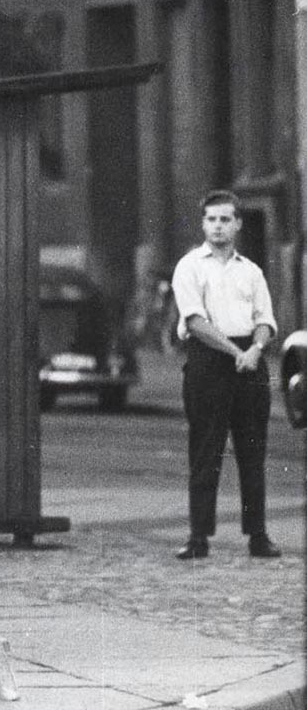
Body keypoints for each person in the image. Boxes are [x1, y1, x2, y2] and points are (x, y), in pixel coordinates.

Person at [171, 190, 281, 560]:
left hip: (249, 364)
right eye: (211, 220)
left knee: (253, 453)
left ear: (237, 224)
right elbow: (196, 322)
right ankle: (199, 536)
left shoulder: (251, 271)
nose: (218, 227)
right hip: (209, 363)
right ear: (203, 223)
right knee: (206, 451)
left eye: (225, 220)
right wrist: (236, 352)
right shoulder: (190, 267)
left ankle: (258, 535)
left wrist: (254, 350)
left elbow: (264, 320)